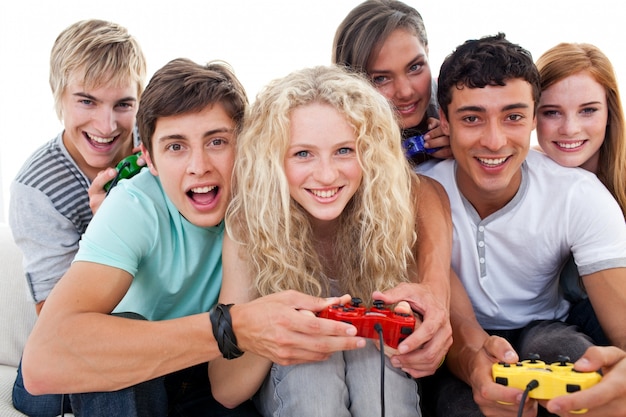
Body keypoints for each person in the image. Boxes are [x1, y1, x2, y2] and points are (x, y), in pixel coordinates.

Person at [20, 58, 367, 417]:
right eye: (176, 146)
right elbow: (43, 362)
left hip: (197, 371)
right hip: (111, 366)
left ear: (246, 145)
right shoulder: (133, 205)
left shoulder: (269, 204)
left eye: (217, 141)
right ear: (149, 161)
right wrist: (228, 328)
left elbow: (228, 386)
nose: (199, 166)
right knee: (130, 345)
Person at [207, 65, 453, 417]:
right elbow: (226, 389)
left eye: (344, 151)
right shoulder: (250, 226)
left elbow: (431, 353)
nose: (326, 174)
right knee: (313, 371)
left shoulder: (392, 213)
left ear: (369, 153)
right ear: (273, 160)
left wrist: (415, 345)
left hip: (376, 376)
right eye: (303, 154)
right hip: (297, 388)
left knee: (372, 364)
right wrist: (277, 330)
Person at [413, 33, 626, 416]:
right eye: (472, 118)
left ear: (532, 117)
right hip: (458, 340)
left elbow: (622, 325)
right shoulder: (420, 190)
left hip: (543, 326)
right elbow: (457, 331)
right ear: (444, 120)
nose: (494, 141)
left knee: (571, 361)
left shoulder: (578, 194)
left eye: (513, 117)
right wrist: (473, 361)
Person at [9, 19, 147, 416]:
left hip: (150, 333)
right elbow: (60, 323)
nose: (106, 127)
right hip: (62, 350)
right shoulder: (36, 189)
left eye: (123, 104)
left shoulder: (158, 148)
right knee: (116, 338)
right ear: (59, 97)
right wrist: (110, 227)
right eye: (86, 101)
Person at [535, 43, 626, 337]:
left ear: (609, 111)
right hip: (561, 327)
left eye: (587, 110)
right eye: (552, 112)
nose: (570, 128)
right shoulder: (524, 175)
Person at [332, 0, 452, 164]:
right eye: (381, 78)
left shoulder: (458, 107)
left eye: (415, 67)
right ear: (351, 83)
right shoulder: (331, 139)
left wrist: (465, 149)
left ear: (427, 52)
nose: (405, 92)